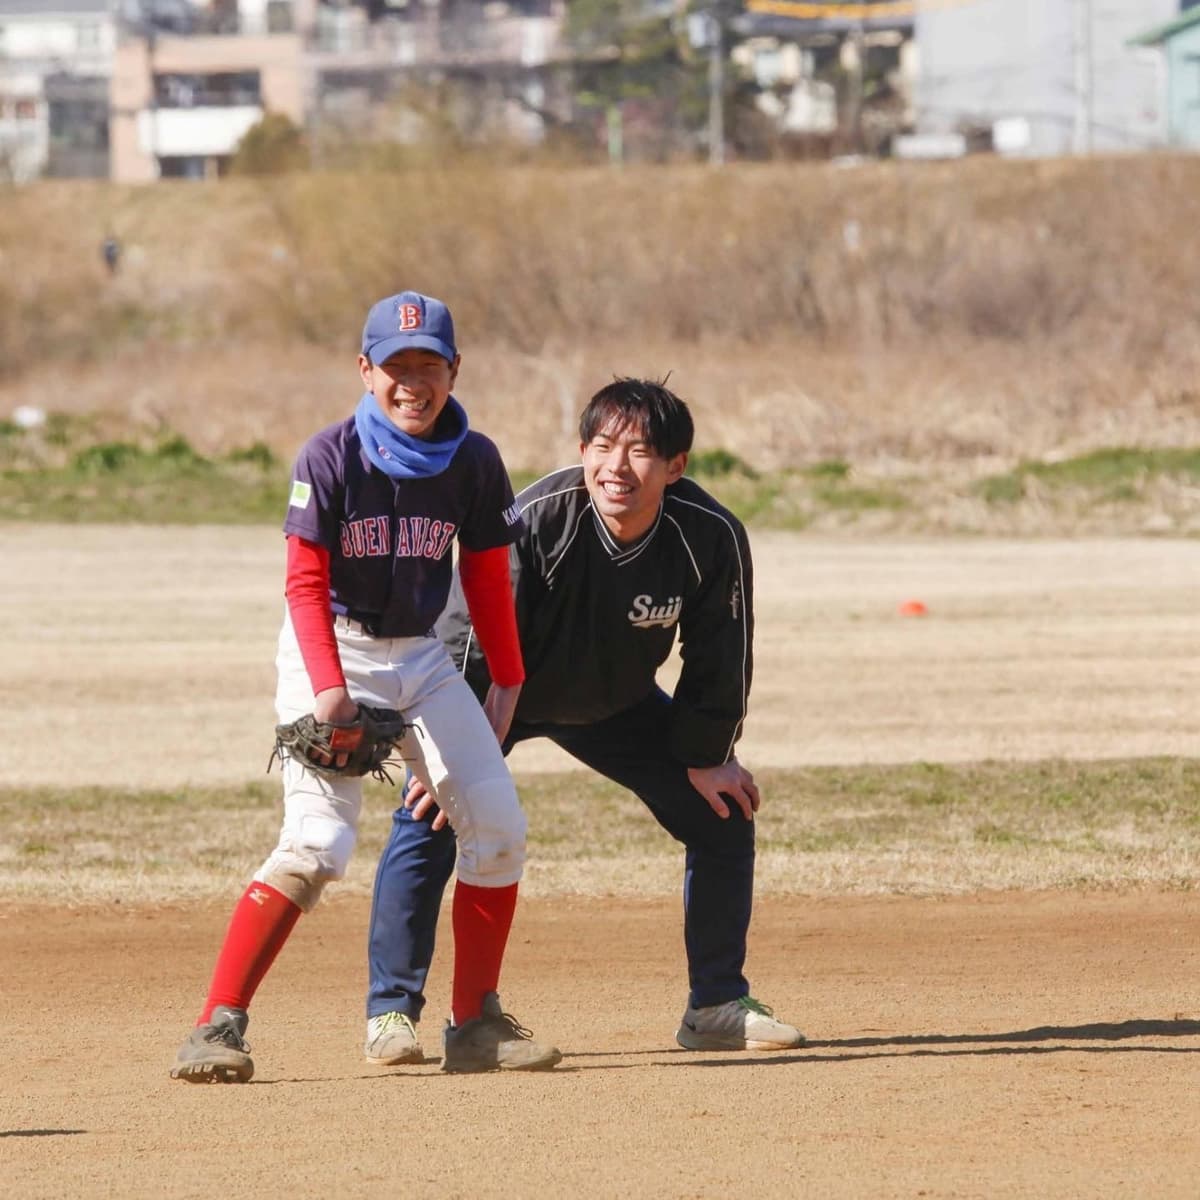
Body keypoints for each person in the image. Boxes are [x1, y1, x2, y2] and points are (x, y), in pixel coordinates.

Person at [170, 290, 561, 1082]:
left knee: (496, 822)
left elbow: (486, 575)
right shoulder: (329, 456)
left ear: (455, 370)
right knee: (318, 844)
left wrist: (508, 679)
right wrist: (327, 692)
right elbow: (304, 585)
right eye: (395, 367)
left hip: (421, 656)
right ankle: (218, 1025)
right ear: (365, 369)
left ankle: (476, 1022)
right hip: (334, 653)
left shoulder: (475, 459)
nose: (412, 383)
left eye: (429, 366)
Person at [363, 377, 803, 1065]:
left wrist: (708, 750)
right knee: (432, 811)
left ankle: (716, 1004)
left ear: (676, 466)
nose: (616, 468)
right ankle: (391, 1013)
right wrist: (446, 744)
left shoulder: (708, 536)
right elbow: (468, 635)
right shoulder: (535, 517)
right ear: (581, 450)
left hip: (617, 702)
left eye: (639, 452)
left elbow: (722, 653)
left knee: (723, 812)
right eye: (602, 448)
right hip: (504, 700)